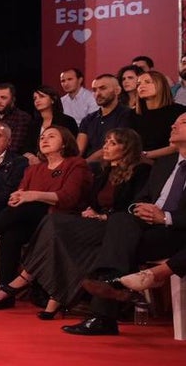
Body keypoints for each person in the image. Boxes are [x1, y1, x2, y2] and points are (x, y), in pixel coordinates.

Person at [64, 111, 186, 336]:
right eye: (175, 121)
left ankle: (105, 305)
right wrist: (139, 209)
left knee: (112, 241)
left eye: (183, 122)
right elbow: (141, 198)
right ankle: (113, 284)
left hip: (176, 231)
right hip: (144, 225)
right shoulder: (166, 163)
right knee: (118, 222)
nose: (173, 126)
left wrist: (165, 217)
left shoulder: (148, 166)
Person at [6, 128, 149, 318]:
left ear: (128, 148)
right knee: (53, 225)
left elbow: (135, 206)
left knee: (56, 225)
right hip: (96, 223)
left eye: (113, 143)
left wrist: (104, 217)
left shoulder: (141, 171)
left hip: (118, 227)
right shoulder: (105, 171)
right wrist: (91, 211)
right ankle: (53, 295)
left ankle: (29, 279)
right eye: (106, 142)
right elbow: (93, 201)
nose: (105, 147)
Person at [0, 126, 92, 310]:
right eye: (42, 137)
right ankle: (5, 293)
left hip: (61, 220)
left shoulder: (75, 164)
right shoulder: (35, 169)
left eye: (51, 136)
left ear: (65, 142)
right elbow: (20, 193)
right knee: (11, 233)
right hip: (32, 220)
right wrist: (17, 197)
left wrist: (32, 195)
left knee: (29, 204)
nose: (44, 140)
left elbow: (68, 198)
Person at [126, 70, 179, 162]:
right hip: (136, 161)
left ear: (161, 85)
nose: (141, 86)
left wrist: (145, 155)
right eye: (138, 84)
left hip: (167, 161)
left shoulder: (178, 112)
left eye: (147, 82)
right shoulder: (133, 114)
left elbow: (177, 146)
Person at [76, 74, 132, 161]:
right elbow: (78, 150)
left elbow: (115, 147)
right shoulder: (88, 119)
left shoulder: (127, 115)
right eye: (94, 90)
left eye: (103, 88)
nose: (97, 94)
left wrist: (85, 163)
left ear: (117, 90)